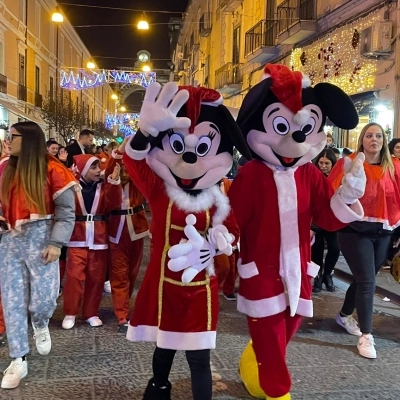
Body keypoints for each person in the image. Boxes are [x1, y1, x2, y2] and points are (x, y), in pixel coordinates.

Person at [229, 63, 364, 400]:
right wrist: (220, 238)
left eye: (304, 128)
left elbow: (327, 217)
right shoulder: (251, 175)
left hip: (298, 270)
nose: (295, 138)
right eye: (282, 126)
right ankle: (277, 390)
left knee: (285, 332)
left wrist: (347, 194)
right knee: (273, 348)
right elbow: (233, 218)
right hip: (261, 272)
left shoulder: (309, 175)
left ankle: (251, 362)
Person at [122, 82, 250, 400]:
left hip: (200, 289)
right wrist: (144, 133)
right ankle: (158, 389)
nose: (191, 158)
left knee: (199, 357)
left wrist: (223, 239)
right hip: (163, 284)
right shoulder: (158, 188)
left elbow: (232, 229)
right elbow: (134, 162)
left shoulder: (217, 196)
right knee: (164, 350)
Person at [0, 121, 78, 389]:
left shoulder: (54, 170)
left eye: (13, 136)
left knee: (44, 300)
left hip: (42, 239)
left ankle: (41, 322)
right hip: (9, 242)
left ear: (29, 139)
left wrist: (57, 243)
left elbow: (67, 213)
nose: (8, 140)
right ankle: (18, 359)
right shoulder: (4, 169)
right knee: (12, 303)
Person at [329, 122, 400, 359]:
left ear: (384, 139)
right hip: (353, 230)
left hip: (383, 232)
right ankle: (367, 335)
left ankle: (344, 315)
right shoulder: (348, 163)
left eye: (378, 135)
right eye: (369, 135)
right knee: (368, 280)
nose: (374, 139)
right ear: (362, 139)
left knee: (362, 280)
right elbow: (331, 190)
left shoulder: (394, 167)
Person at [62, 154, 121, 330]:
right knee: (73, 277)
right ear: (83, 169)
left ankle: (90, 312)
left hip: (99, 239)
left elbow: (114, 204)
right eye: (93, 168)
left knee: (96, 278)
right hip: (76, 239)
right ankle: (70, 312)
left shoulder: (104, 187)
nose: (98, 171)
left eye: (98, 167)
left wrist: (115, 183)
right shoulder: (72, 186)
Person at [105, 150, 149, 333]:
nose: (123, 171)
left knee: (132, 273)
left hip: (136, 230)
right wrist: (118, 152)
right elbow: (109, 170)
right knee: (119, 274)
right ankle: (122, 315)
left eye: (126, 167)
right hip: (116, 232)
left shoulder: (138, 183)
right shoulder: (110, 182)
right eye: (120, 167)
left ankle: (125, 306)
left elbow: (145, 167)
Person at [311, 149, 340, 293]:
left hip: (332, 219)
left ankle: (328, 274)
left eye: (327, 163)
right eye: (321, 163)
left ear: (332, 164)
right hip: (315, 219)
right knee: (317, 249)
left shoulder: (338, 177)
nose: (323, 166)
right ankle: (317, 276)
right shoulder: (313, 176)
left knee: (335, 248)